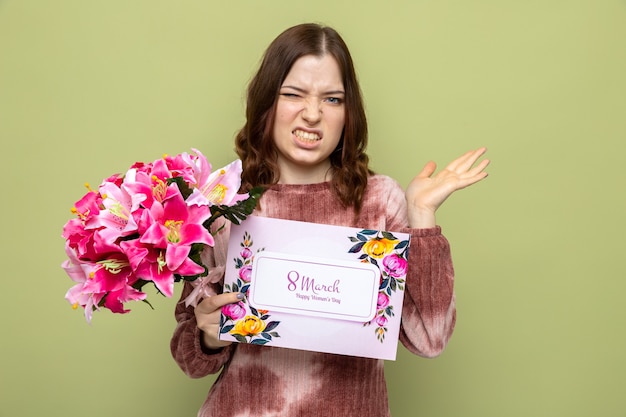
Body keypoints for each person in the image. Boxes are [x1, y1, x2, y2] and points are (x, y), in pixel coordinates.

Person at [171, 23, 489, 417]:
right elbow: (190, 358)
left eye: (332, 99)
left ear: (348, 112)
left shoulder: (379, 202)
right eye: (293, 94)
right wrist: (208, 334)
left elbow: (429, 338)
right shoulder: (225, 204)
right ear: (267, 102)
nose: (312, 114)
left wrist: (421, 218)